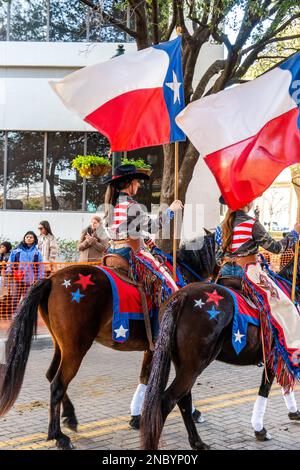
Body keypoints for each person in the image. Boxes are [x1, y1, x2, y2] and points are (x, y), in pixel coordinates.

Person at [103, 164, 183, 296]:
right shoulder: (131, 205)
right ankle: (172, 305)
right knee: (168, 281)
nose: (138, 185)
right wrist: (171, 210)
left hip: (112, 251)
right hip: (128, 252)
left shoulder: (113, 205)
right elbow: (153, 226)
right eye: (136, 182)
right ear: (130, 184)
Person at [215, 196, 300, 278]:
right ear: (248, 202)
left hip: (225, 273)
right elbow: (277, 248)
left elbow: (218, 258)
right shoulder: (252, 224)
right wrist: (295, 233)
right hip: (248, 272)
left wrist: (230, 261)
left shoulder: (220, 226)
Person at [8, 231, 44, 312]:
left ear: (34, 239)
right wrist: (9, 272)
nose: (29, 238)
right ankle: (13, 316)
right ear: (24, 238)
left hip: (30, 280)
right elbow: (10, 262)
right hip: (17, 279)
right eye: (27, 237)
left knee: (27, 299)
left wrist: (40, 278)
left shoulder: (37, 253)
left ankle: (24, 316)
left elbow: (40, 266)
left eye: (31, 237)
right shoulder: (16, 251)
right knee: (15, 298)